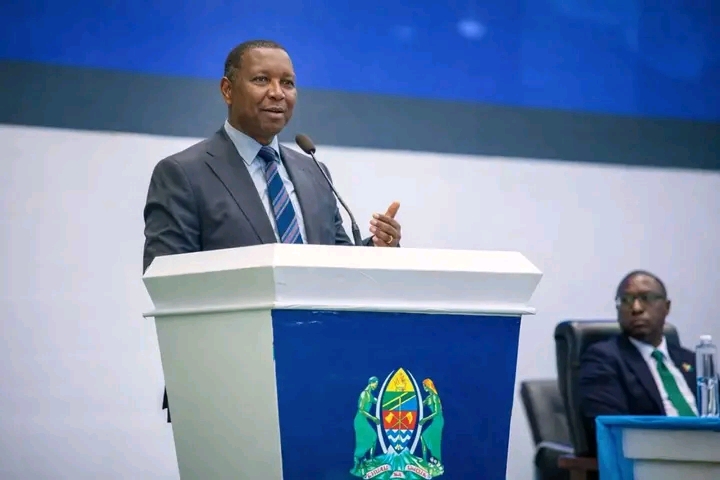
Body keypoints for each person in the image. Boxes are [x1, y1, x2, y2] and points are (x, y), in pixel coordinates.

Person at [143, 40, 403, 422]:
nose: (278, 93)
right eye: (262, 80)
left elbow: (336, 265)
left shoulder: (314, 171)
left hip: (320, 375)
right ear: (227, 90)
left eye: (288, 83)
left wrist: (376, 250)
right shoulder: (184, 173)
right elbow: (168, 280)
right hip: (224, 383)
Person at [579, 270, 697, 452]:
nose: (636, 308)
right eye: (626, 300)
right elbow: (612, 432)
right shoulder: (603, 359)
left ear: (666, 307)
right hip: (660, 457)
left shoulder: (691, 360)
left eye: (646, 298)